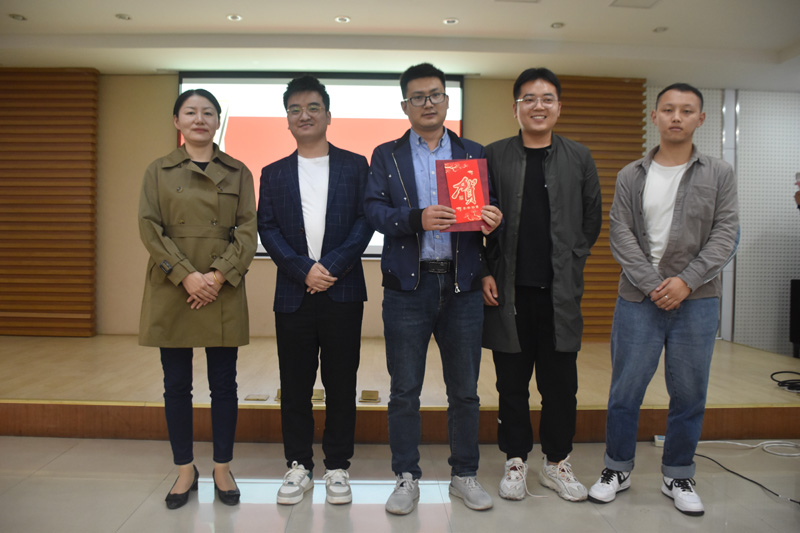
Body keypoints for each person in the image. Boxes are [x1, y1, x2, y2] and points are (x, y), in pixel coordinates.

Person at [587, 83, 739, 516]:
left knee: (689, 393)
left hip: (698, 299)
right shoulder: (631, 174)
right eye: (668, 109)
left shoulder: (719, 173)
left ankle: (678, 473)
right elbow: (620, 233)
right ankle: (617, 468)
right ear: (654, 116)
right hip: (639, 299)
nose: (676, 117)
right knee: (625, 390)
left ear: (700, 119)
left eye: (686, 110)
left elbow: (726, 233)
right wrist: (655, 284)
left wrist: (686, 282)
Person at [364, 63, 503, 515]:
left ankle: (464, 474)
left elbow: (487, 209)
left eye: (436, 95)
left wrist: (492, 218)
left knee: (465, 390)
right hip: (408, 287)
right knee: (405, 390)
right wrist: (415, 219)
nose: (428, 103)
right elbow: (373, 212)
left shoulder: (471, 152)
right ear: (405, 105)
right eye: (418, 97)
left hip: (462, 287)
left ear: (447, 100)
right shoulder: (386, 155)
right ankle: (406, 477)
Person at [482, 68, 602, 502]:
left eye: (547, 98)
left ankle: (556, 463)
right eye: (529, 99)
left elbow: (591, 220)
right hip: (508, 293)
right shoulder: (493, 155)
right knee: (511, 385)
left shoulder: (579, 157)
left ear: (558, 107)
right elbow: (475, 220)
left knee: (561, 387)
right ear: (515, 107)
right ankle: (516, 461)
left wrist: (570, 262)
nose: (538, 106)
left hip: (560, 295)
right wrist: (485, 271)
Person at [138, 88, 257, 509]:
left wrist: (217, 275)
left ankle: (222, 466)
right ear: (177, 121)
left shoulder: (238, 171)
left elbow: (248, 230)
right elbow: (150, 228)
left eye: (208, 112)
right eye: (190, 112)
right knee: (176, 385)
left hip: (222, 286)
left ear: (218, 121)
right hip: (174, 285)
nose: (199, 119)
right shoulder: (158, 170)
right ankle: (185, 468)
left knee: (224, 384)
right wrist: (187, 276)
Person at [257, 75, 373, 506]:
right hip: (294, 294)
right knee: (295, 385)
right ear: (287, 119)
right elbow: (267, 229)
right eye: (295, 109)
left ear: (328, 115)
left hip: (343, 291)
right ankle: (299, 465)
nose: (303, 115)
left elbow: (365, 221)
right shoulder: (273, 172)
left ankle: (338, 466)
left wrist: (331, 267)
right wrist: (304, 270)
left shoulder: (355, 165)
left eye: (312, 108)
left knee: (342, 383)